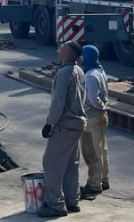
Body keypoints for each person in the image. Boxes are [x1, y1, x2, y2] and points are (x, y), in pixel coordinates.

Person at [39, 41, 86, 218]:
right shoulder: (79, 71)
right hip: (78, 124)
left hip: (64, 125)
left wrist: (49, 123)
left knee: (51, 163)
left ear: (66, 52)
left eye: (62, 46)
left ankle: (56, 204)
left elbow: (58, 103)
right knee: (71, 165)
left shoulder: (63, 73)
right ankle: (72, 201)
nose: (58, 47)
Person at [80, 45, 110, 199]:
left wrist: (99, 106)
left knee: (91, 152)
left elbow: (93, 99)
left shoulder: (90, 76)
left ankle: (94, 185)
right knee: (102, 149)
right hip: (101, 116)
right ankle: (104, 180)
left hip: (92, 116)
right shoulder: (100, 71)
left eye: (82, 56)